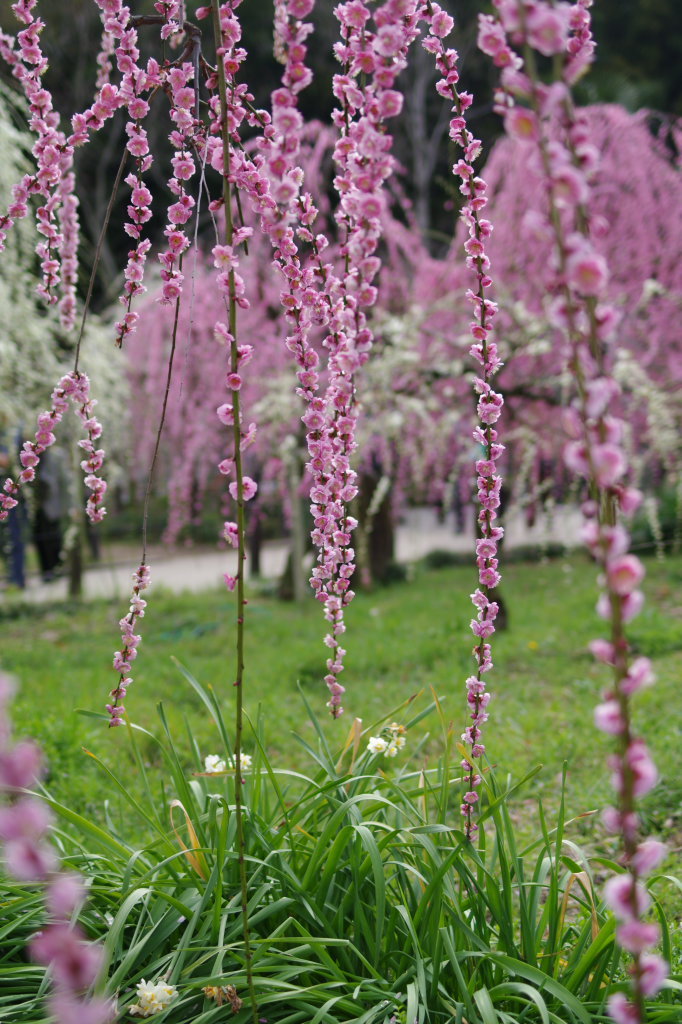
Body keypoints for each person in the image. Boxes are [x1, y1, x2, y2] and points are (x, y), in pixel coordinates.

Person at [33, 446, 69, 582]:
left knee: (54, 537)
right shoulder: (27, 452)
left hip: (52, 502)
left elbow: (64, 480)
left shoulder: (56, 454)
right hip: (36, 503)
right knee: (40, 538)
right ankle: (46, 570)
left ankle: (57, 567)